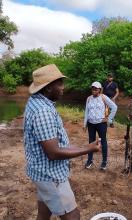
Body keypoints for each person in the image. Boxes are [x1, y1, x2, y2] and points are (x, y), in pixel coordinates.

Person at [23, 64, 101, 220]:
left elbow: (56, 146)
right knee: (72, 216)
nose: (63, 87)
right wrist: (87, 149)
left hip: (39, 172)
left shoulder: (36, 102)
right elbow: (53, 153)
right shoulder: (43, 111)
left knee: (44, 213)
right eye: (59, 83)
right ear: (48, 88)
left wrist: (83, 147)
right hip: (50, 176)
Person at [83, 81, 117, 170]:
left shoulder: (103, 97)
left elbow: (114, 107)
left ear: (99, 89)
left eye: (96, 88)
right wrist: (85, 124)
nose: (94, 90)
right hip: (91, 124)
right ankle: (89, 160)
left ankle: (104, 162)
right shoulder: (89, 98)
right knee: (91, 142)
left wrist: (109, 119)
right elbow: (86, 111)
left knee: (103, 142)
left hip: (101, 124)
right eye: (92, 88)